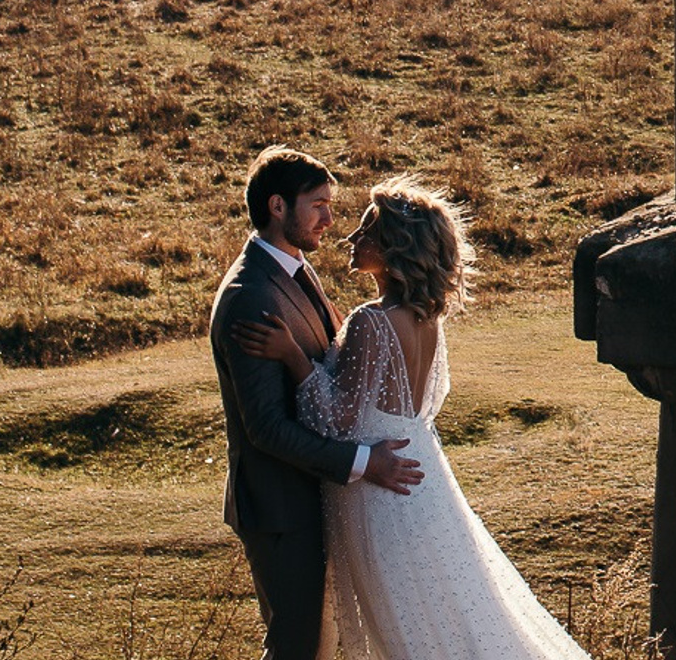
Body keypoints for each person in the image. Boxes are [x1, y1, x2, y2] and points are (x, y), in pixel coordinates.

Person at [237, 175, 591, 660]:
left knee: (410, 636)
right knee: (449, 618)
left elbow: (335, 421)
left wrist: (294, 357)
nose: (350, 238)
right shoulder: (426, 317)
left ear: (394, 246)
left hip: (380, 494)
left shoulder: (371, 321)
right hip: (420, 484)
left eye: (365, 231)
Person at [211, 146, 426, 660]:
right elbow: (265, 427)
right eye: (319, 205)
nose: (331, 219)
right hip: (282, 505)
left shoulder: (293, 271)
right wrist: (362, 462)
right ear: (278, 206)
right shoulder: (251, 296)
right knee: (298, 649)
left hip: (319, 497)